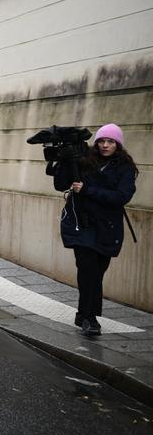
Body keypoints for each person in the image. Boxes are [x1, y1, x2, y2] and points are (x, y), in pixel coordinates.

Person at [53, 124, 138, 337]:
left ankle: (83, 313)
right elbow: (60, 184)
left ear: (118, 144)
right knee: (87, 270)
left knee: (96, 273)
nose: (105, 145)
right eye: (101, 141)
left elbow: (121, 197)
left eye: (110, 141)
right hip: (82, 225)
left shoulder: (125, 167)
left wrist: (88, 190)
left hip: (107, 228)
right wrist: (64, 161)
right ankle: (90, 319)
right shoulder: (84, 161)